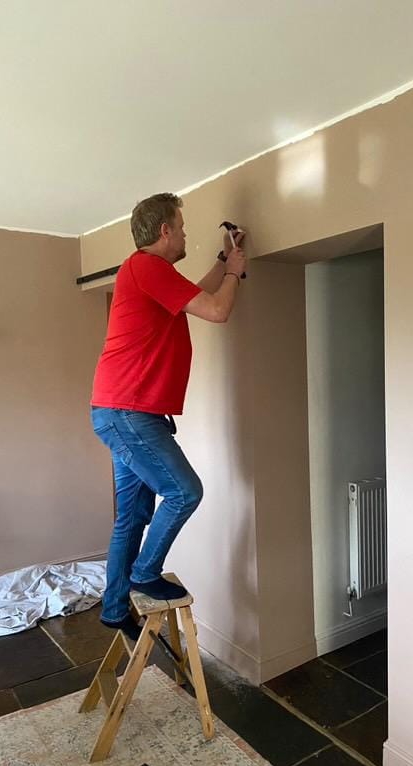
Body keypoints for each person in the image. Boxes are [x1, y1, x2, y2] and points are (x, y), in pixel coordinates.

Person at [90, 193, 247, 640]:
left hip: (122, 411)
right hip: (129, 413)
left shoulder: (147, 273)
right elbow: (217, 310)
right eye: (181, 227)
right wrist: (235, 271)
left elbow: (199, 296)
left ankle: (115, 608)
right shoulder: (148, 267)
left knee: (133, 515)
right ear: (164, 231)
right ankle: (145, 574)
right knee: (184, 491)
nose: (184, 235)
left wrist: (224, 262)